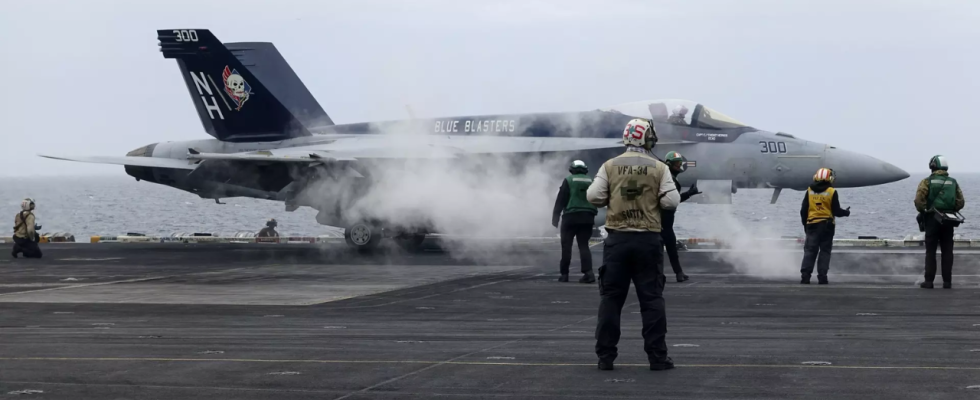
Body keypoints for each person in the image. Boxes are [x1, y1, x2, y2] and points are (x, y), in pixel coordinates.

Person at [587, 118, 681, 371]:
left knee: (611, 299)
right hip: (648, 240)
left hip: (617, 241)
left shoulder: (609, 166)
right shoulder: (659, 167)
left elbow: (594, 196)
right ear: (645, 137)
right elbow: (672, 201)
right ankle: (657, 358)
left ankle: (605, 357)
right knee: (651, 300)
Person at [914, 155, 965, 289]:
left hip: (932, 219)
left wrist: (924, 211)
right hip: (948, 219)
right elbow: (960, 202)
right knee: (947, 251)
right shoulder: (953, 182)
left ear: (932, 166)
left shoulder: (927, 182)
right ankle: (947, 282)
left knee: (930, 251)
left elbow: (919, 200)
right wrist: (950, 209)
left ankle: (929, 281)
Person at [799, 168, 850, 284]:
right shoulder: (831, 192)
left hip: (811, 225)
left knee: (810, 251)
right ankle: (822, 277)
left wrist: (805, 226)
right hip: (827, 226)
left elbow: (803, 210)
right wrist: (846, 213)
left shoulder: (809, 191)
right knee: (824, 252)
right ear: (829, 178)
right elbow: (836, 211)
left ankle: (805, 277)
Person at [552, 160, 598, 283]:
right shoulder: (591, 181)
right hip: (588, 217)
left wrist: (555, 218)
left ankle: (564, 274)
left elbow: (561, 199)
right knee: (584, 246)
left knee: (566, 246)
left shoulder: (569, 180)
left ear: (571, 169)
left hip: (570, 217)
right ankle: (589, 273)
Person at [662, 151, 700, 283]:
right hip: (660, 219)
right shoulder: (667, 180)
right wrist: (689, 194)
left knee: (671, 247)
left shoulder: (669, 178)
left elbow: (675, 200)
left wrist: (689, 193)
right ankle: (674, 273)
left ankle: (679, 272)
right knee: (659, 249)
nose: (680, 167)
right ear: (669, 164)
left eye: (680, 164)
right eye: (677, 164)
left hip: (666, 220)